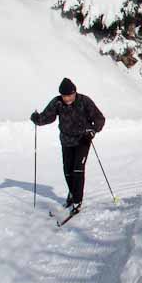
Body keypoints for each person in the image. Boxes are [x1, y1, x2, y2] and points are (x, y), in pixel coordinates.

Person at [30, 78, 106, 210]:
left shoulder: (84, 101)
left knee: (77, 169)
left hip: (83, 140)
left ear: (75, 92)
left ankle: (77, 200)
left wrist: (92, 131)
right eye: (64, 96)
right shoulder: (57, 102)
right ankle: (72, 194)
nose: (67, 98)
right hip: (66, 140)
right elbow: (48, 117)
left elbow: (99, 118)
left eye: (70, 95)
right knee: (67, 170)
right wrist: (37, 119)